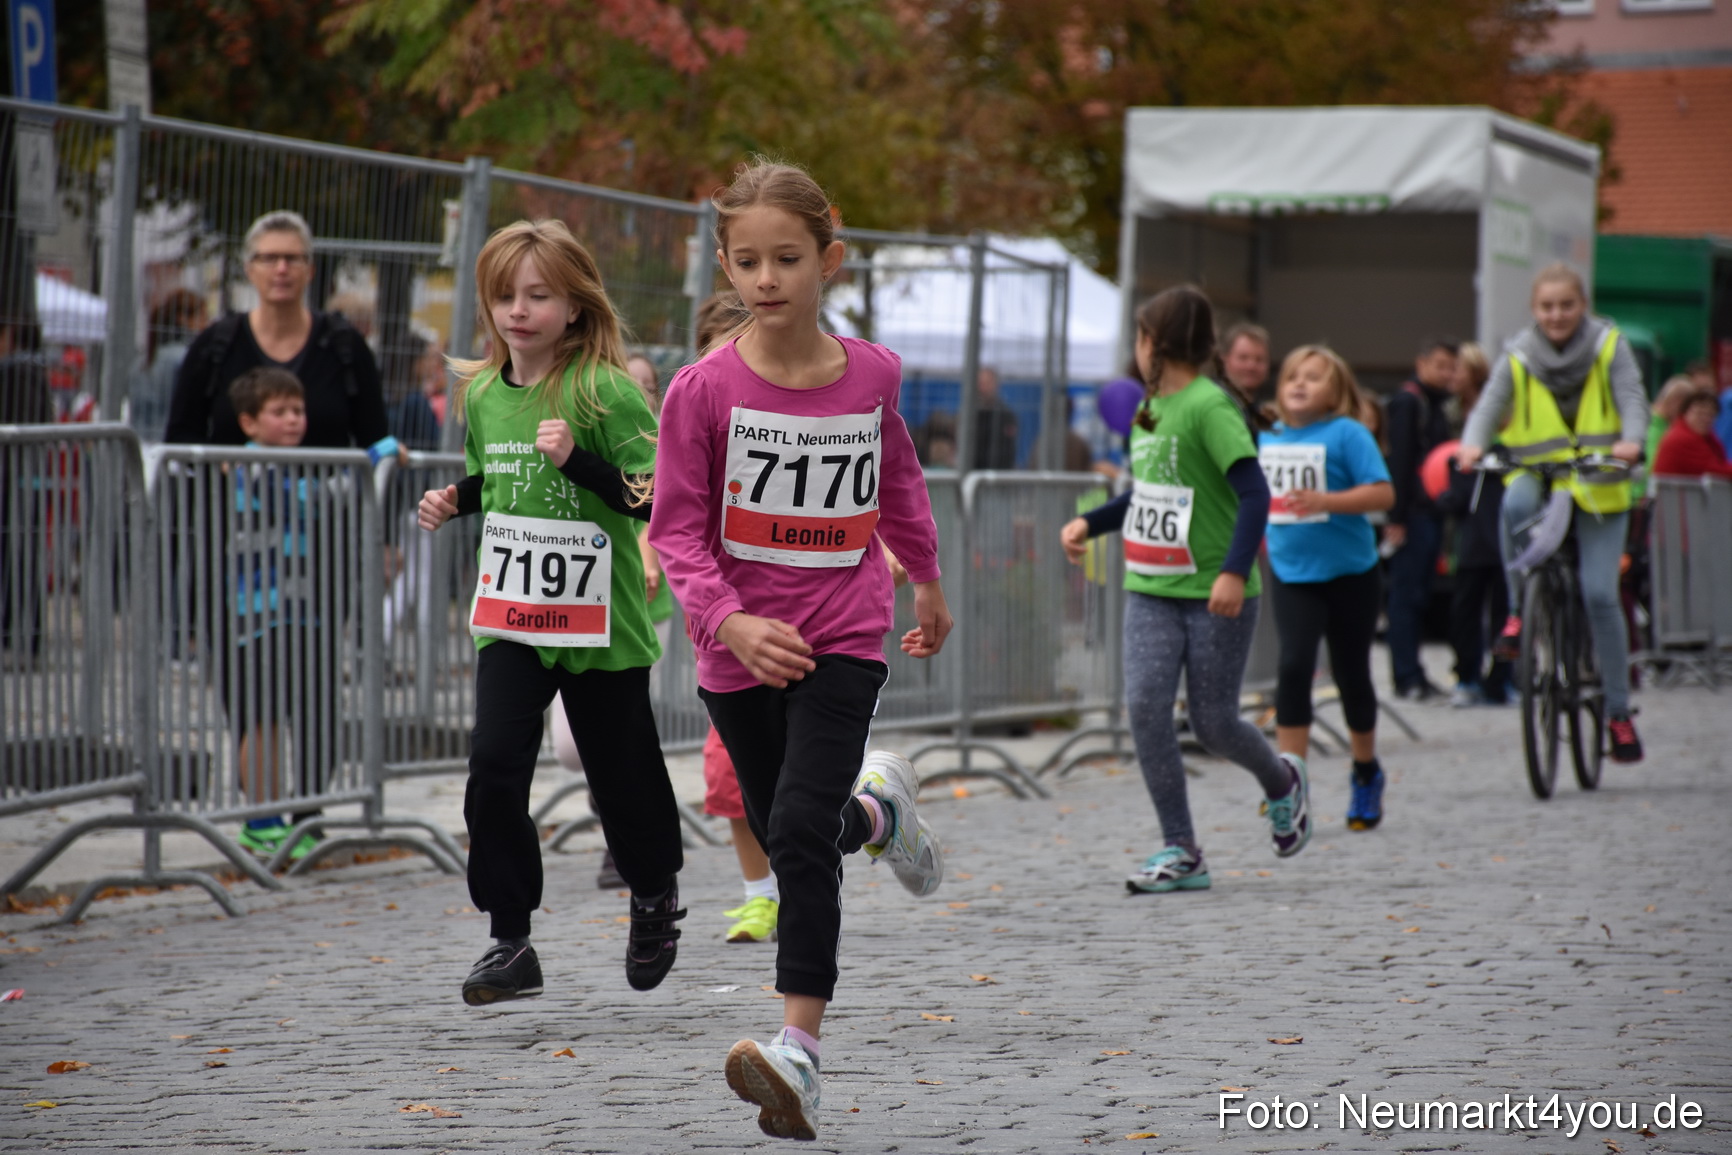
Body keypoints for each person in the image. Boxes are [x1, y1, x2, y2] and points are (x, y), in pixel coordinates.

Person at [647, 159, 952, 1142]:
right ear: (726, 265)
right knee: (803, 826)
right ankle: (879, 814)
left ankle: (799, 1054)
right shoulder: (700, 391)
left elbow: (897, 479)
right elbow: (678, 532)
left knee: (791, 832)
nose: (766, 278)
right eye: (746, 261)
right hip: (737, 650)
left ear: (830, 258)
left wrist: (927, 576)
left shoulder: (872, 374)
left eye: (787, 258)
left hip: (844, 636)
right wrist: (729, 619)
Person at [417, 219, 686, 1005]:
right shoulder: (481, 392)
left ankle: (653, 895)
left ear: (575, 305)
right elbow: (497, 480)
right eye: (504, 295)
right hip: (513, 615)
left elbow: (654, 494)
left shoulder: (603, 388)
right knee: (494, 766)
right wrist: (455, 500)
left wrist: (581, 460)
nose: (518, 310)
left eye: (538, 295)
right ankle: (510, 937)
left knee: (622, 773)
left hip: (599, 620)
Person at [1058, 285, 1309, 896]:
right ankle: (1182, 849)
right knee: (1145, 707)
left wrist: (1231, 570)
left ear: (1157, 343)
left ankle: (1281, 782)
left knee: (1215, 722)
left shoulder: (1209, 407)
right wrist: (1092, 523)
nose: (1137, 350)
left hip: (1215, 590)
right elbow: (1149, 492)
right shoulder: (1149, 409)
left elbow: (1255, 493)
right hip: (1150, 586)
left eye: (1140, 338)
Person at [1458, 263, 1649, 763]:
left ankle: (1618, 713)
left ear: (1582, 305)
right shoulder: (1519, 353)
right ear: (1534, 311)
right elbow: (1489, 402)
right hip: (1537, 473)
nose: (1557, 314)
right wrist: (1471, 445)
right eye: (1547, 306)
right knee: (1513, 502)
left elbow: (1631, 397)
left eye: (1566, 305)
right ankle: (1521, 613)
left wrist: (1631, 440)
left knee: (1599, 594)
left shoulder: (1609, 346)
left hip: (1598, 484)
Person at [1257, 345, 1395, 831]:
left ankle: (1365, 771)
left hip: (1351, 573)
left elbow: (1383, 493)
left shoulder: (1348, 433)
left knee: (1351, 673)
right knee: (1293, 666)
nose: (1299, 384)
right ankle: (1289, 785)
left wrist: (1327, 501)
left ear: (1336, 391)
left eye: (1313, 378)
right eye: (1293, 375)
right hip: (1293, 573)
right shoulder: (1266, 436)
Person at [165, 211, 392, 457]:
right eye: (269, 258)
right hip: (231, 494)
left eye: (293, 258)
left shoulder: (345, 346)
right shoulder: (214, 345)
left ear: (310, 269)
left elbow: (375, 438)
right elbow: (181, 436)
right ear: (249, 268)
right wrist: (225, 469)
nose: (282, 269)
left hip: (324, 495)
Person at [223, 368, 335, 861]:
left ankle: (300, 816)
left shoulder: (298, 464)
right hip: (259, 610)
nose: (293, 420)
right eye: (280, 412)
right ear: (249, 423)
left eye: (298, 410)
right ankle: (260, 821)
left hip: (301, 607)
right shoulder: (249, 465)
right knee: (263, 716)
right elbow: (301, 505)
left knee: (302, 712)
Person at [1382, 336, 1460, 701]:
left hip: (1428, 513)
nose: (1446, 373)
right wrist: (1396, 515)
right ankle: (1406, 676)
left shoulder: (1436, 404)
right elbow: (1400, 460)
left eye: (1451, 367)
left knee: (1419, 595)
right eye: (1440, 365)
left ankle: (1415, 672)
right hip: (1412, 514)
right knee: (1405, 596)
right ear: (1422, 362)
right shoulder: (1408, 403)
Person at [1435, 343, 1511, 709]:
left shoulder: (1511, 454)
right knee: (1471, 613)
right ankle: (1471, 677)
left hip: (1495, 544)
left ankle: (1496, 679)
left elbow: (1456, 498)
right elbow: (1457, 495)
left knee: (1499, 614)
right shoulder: (1467, 455)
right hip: (1477, 545)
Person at [130, 289, 207, 442]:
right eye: (203, 316)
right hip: (171, 447)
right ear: (183, 319)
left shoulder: (140, 362)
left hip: (140, 443)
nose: (207, 323)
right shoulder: (186, 358)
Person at [1653, 387, 1732, 478]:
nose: (1705, 419)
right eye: (1699, 413)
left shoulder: (1705, 437)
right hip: (1673, 491)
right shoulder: (1683, 438)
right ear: (1686, 412)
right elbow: (1714, 470)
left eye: (1710, 415)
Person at [970, 366, 1019, 469]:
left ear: (996, 385)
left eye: (987, 383)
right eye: (980, 383)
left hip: (998, 474)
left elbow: (1007, 452)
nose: (982, 388)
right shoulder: (969, 415)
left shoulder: (1006, 416)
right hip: (973, 471)